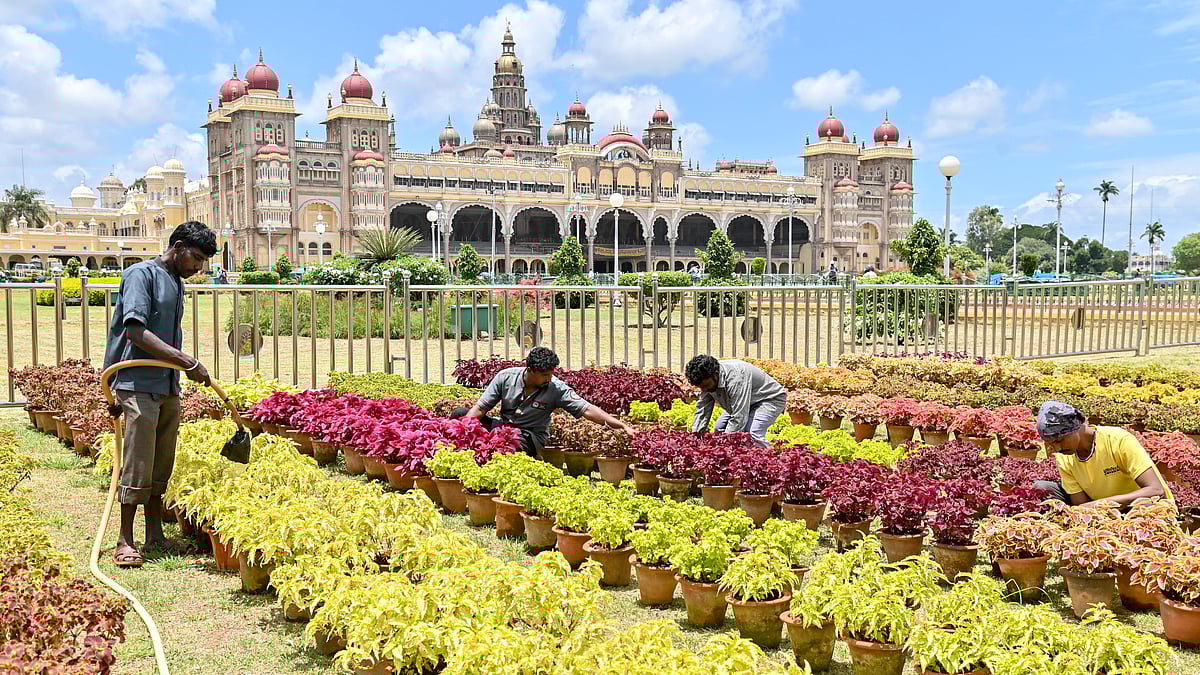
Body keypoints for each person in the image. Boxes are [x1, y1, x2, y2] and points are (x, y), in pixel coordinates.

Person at [103, 222, 217, 567]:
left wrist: (178, 368)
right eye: (195, 258)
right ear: (177, 246)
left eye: (203, 262)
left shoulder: (176, 281)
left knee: (160, 461)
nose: (198, 267)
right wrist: (187, 361)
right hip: (137, 381)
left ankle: (155, 535)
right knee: (138, 461)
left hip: (166, 384)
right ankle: (125, 539)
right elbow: (135, 331)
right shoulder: (141, 275)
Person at [454, 347, 635, 458]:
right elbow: (481, 408)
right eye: (544, 374)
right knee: (460, 415)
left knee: (507, 444)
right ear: (530, 370)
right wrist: (464, 430)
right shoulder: (505, 377)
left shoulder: (556, 388)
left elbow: (587, 409)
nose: (549, 378)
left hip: (529, 435)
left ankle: (524, 457)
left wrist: (622, 426)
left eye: (551, 373)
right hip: (502, 426)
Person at [1033, 401, 1172, 506]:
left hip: (1136, 506)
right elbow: (1082, 505)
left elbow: (1156, 490)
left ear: (1075, 428)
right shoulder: (1064, 458)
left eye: (1059, 440)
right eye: (1051, 444)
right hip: (1104, 510)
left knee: (1146, 506)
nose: (1057, 449)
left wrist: (1102, 503)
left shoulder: (1118, 440)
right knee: (1042, 488)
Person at [685, 355, 787, 448]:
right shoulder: (707, 378)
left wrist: (726, 448)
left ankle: (765, 459)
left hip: (769, 399)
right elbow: (703, 409)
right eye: (701, 387)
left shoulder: (736, 378)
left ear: (716, 374)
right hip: (747, 401)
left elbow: (739, 416)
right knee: (719, 428)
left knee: (751, 435)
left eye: (706, 385)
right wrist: (695, 439)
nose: (704, 390)